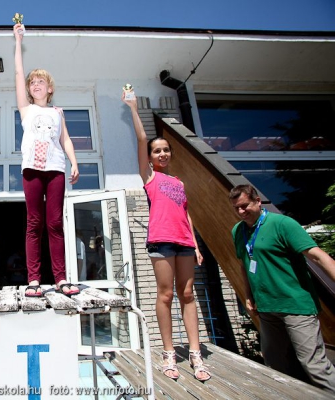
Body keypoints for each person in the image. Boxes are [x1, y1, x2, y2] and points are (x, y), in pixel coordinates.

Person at [122, 90, 210, 382]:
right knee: (166, 294)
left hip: (184, 242)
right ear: (150, 157)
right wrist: (134, 108)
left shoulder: (178, 182)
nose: (162, 154)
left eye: (166, 150)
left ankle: (196, 354)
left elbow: (186, 214)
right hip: (161, 241)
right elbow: (141, 139)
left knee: (188, 294)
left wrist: (196, 245)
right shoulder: (149, 176)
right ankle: (169, 352)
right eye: (157, 151)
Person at [229, 184, 335, 395]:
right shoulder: (238, 231)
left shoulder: (283, 224)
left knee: (314, 365)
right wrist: (248, 295)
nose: (241, 211)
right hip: (267, 308)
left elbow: (317, 256)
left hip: (296, 306)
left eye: (245, 205)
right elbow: (244, 264)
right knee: (276, 365)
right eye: (236, 208)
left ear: (258, 201)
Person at [13, 22, 80, 298]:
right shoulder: (25, 109)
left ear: (49, 88)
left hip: (55, 170)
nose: (35, 84)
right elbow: (18, 73)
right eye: (32, 82)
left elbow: (65, 140)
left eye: (41, 81)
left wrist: (74, 162)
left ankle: (61, 279)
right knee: (34, 224)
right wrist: (18, 40)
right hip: (32, 170)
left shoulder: (57, 113)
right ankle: (34, 280)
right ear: (29, 90)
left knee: (54, 223)